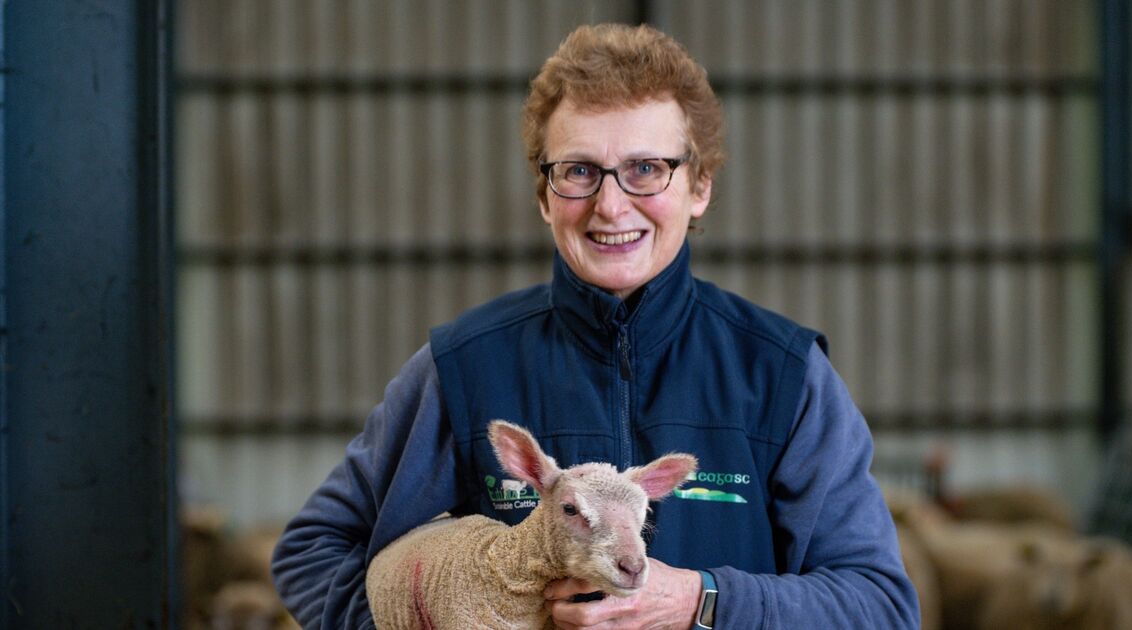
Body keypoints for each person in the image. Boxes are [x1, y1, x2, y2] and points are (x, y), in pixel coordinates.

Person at [272, 23, 919, 630]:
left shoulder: (782, 376)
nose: (610, 205)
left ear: (699, 187)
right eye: (579, 171)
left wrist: (701, 602)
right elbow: (312, 551)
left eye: (646, 169)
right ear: (544, 195)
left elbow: (882, 605)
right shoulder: (464, 369)